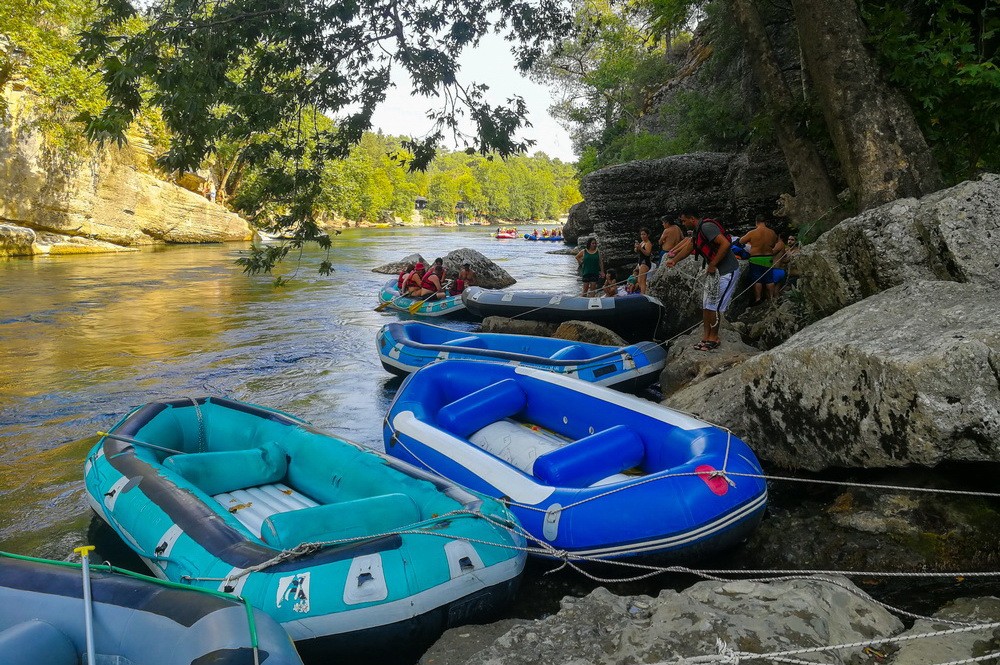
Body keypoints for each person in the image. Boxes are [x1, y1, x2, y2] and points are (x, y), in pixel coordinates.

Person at [665, 209, 739, 351]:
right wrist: (674, 260)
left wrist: (712, 264)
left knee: (714, 306)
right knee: (706, 305)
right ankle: (706, 337)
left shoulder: (707, 227)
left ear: (692, 218)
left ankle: (714, 338)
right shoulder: (698, 231)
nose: (683, 223)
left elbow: (725, 244)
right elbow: (691, 246)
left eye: (684, 220)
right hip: (715, 272)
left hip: (726, 271)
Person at [739, 214, 780, 304]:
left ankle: (758, 299)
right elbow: (773, 244)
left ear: (756, 222)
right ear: (765, 222)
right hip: (768, 258)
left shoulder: (753, 232)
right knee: (769, 279)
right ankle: (772, 298)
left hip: (755, 258)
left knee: (757, 279)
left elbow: (741, 241)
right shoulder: (772, 233)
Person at [633, 227, 654, 294]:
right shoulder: (642, 242)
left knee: (642, 280)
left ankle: (643, 294)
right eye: (641, 234)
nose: (642, 236)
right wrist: (636, 248)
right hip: (641, 262)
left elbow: (648, 253)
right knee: (639, 280)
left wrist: (640, 249)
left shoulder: (648, 243)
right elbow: (637, 251)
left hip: (645, 262)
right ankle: (642, 293)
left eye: (644, 234)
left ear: (647, 235)